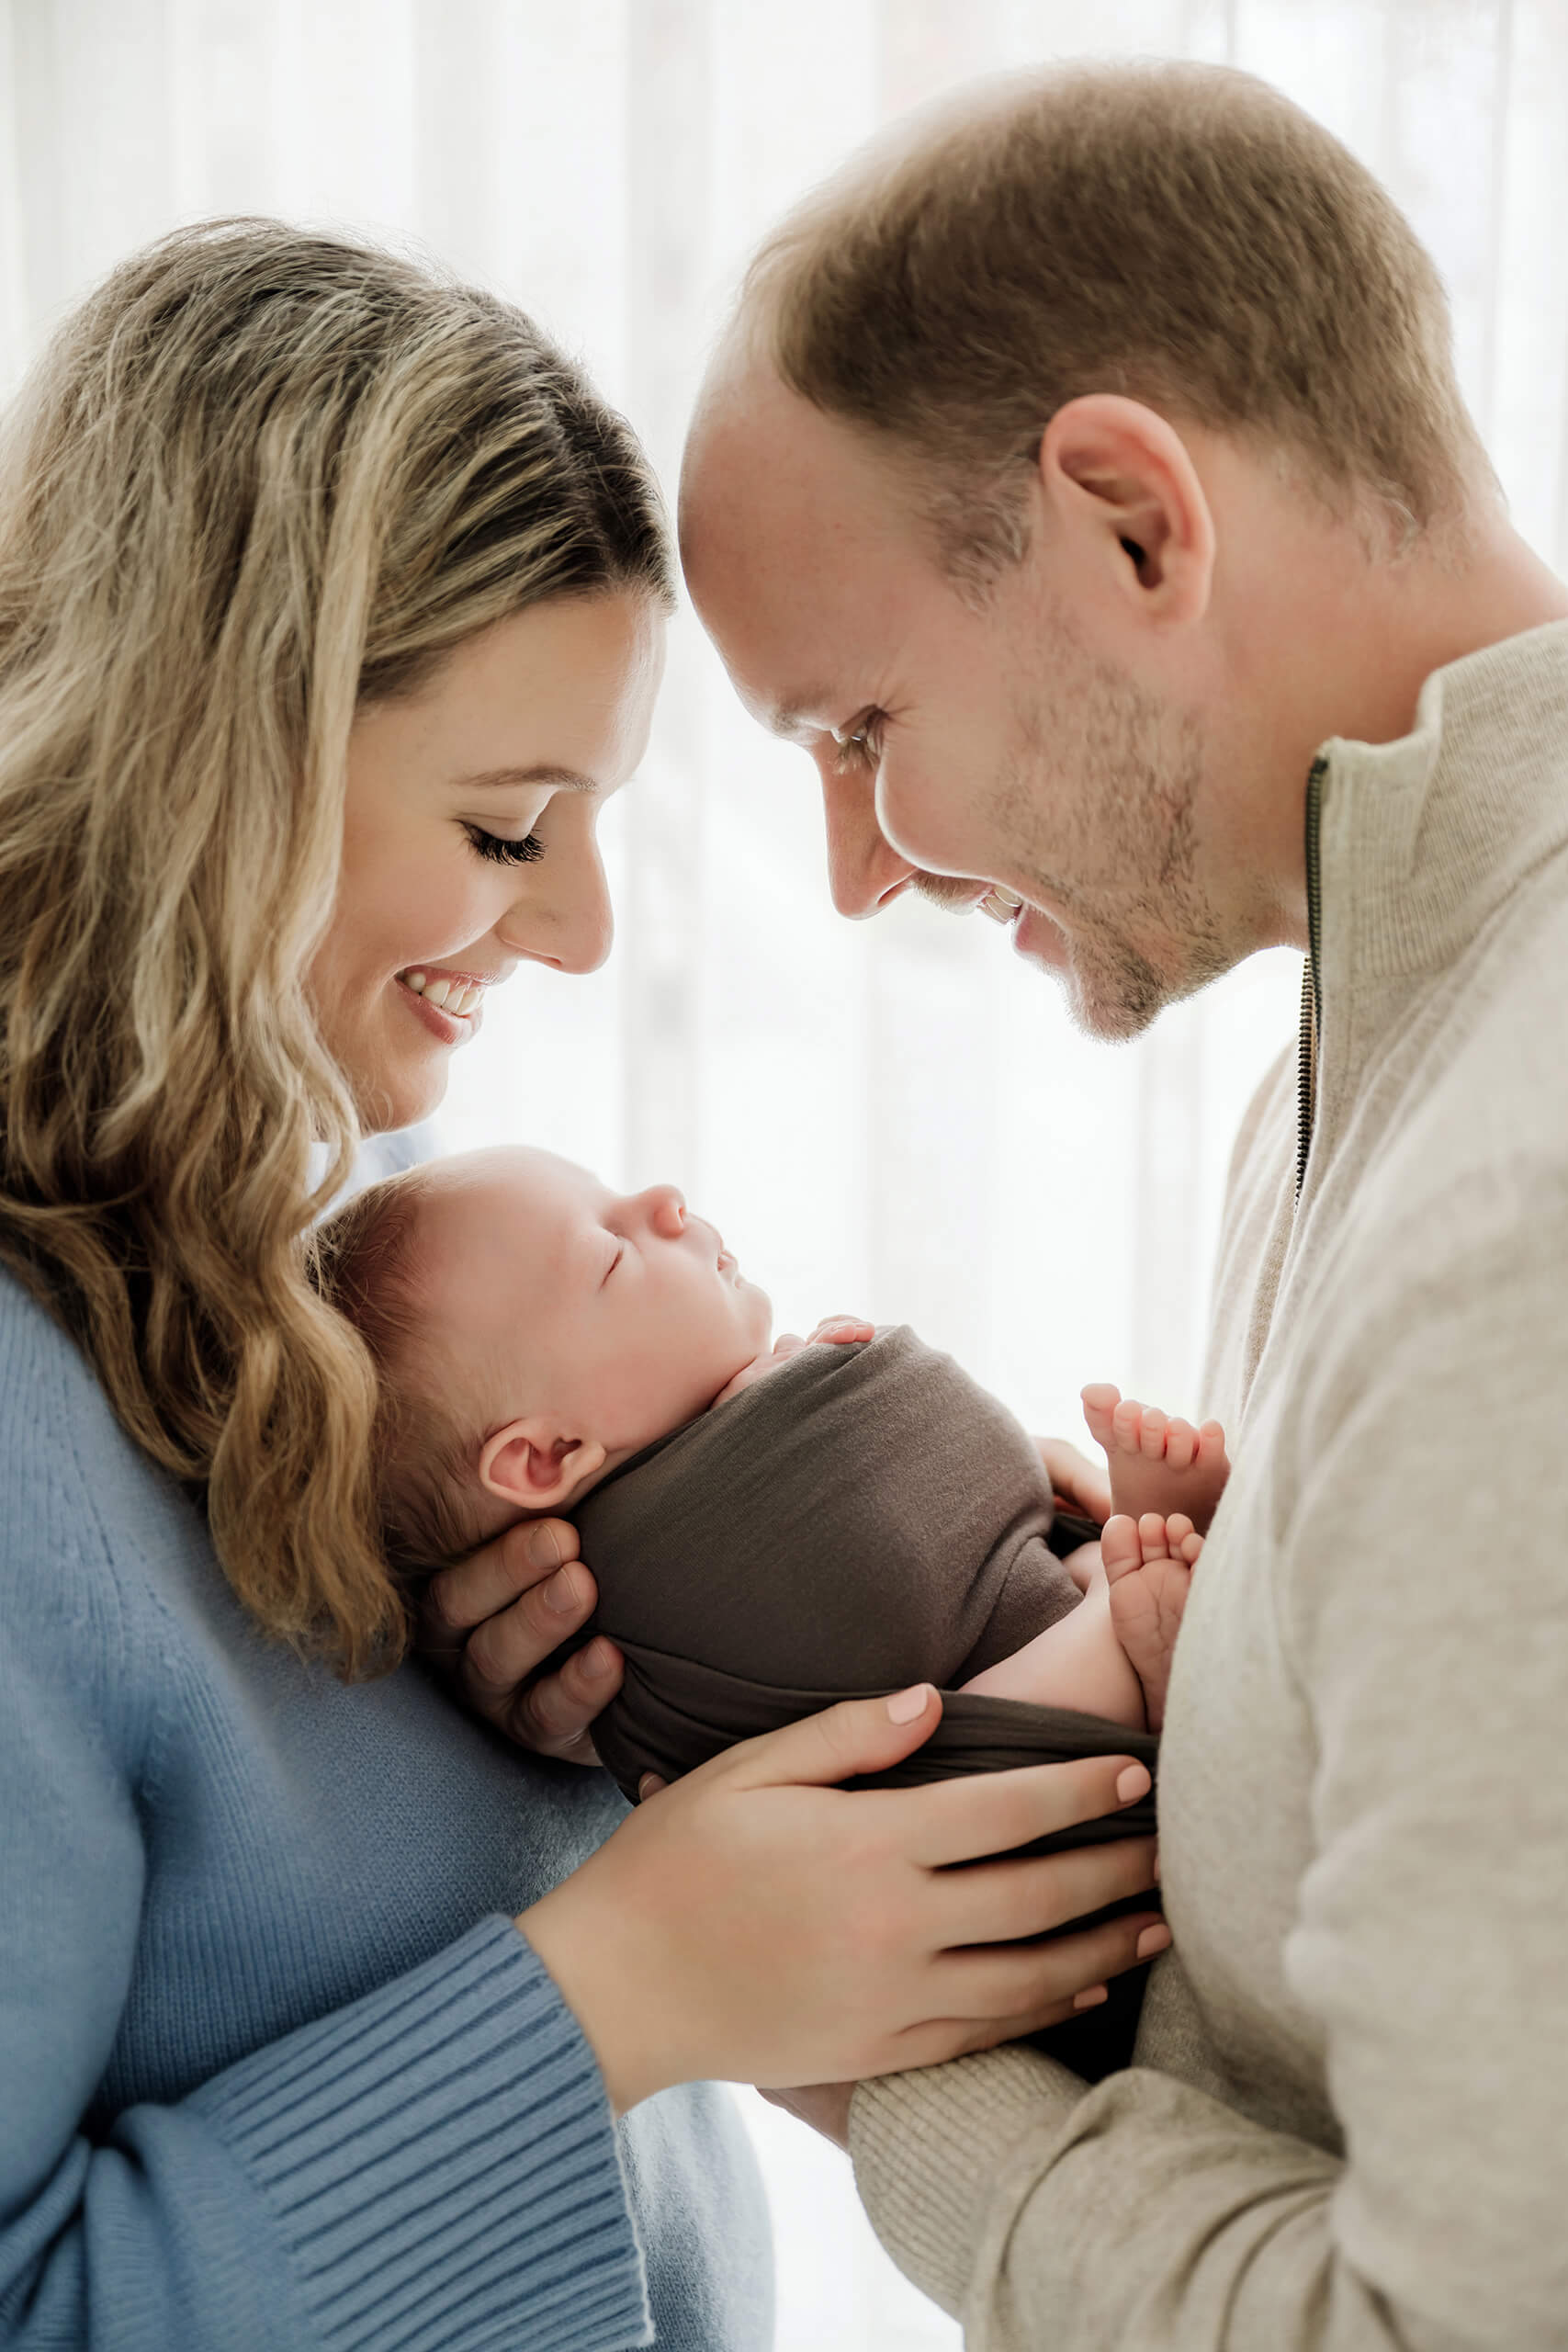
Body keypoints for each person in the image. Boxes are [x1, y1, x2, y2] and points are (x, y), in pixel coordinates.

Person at [0, 219, 1168, 2352]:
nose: (581, 935)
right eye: (509, 825)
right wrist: (618, 1984)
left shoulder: (349, 1206)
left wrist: (544, 1738)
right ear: (209, 758)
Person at [665, 54, 1568, 2352]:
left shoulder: (1511, 1215)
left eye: (856, 732)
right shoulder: (1340, 1086)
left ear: (1129, 525)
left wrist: (887, 2077)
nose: (857, 876)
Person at [315, 1141, 1223, 1776]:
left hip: (1018, 1594)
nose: (665, 1200)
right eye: (612, 1254)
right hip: (993, 1758)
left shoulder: (735, 1430)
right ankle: (1120, 1631)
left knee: (1046, 1573)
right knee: (938, 1747)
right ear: (548, 1453)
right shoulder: (678, 1573)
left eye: (616, 1189)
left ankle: (1124, 1554)